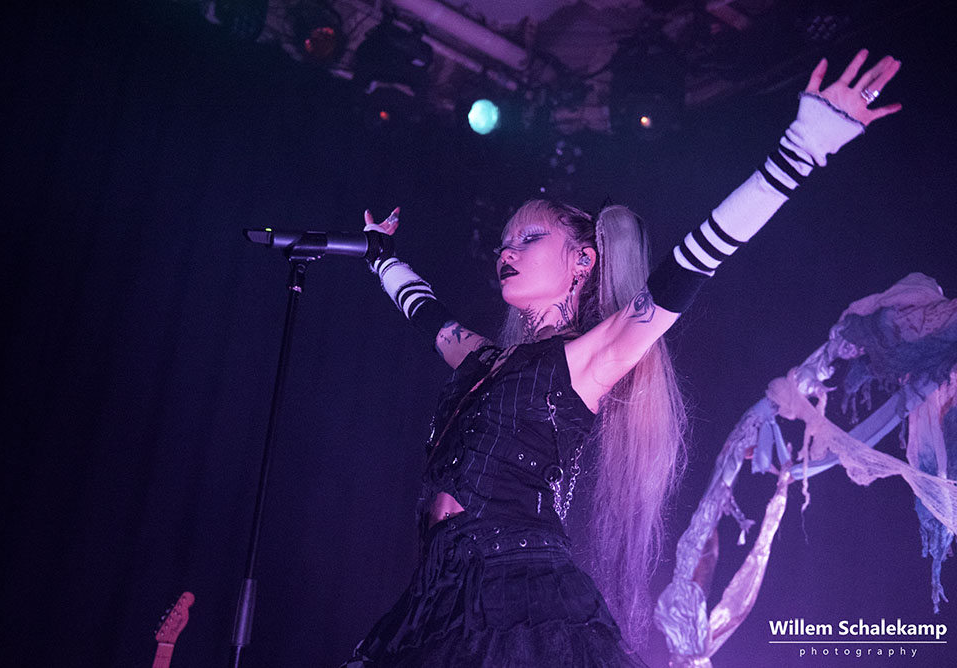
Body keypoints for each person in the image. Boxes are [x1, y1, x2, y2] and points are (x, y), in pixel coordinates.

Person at [341, 50, 901, 667]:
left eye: (529, 238)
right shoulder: (482, 362)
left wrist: (802, 147)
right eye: (503, 244)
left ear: (583, 260)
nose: (507, 252)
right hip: (438, 591)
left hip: (517, 589)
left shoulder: (582, 361)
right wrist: (380, 257)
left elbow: (694, 262)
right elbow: (426, 313)